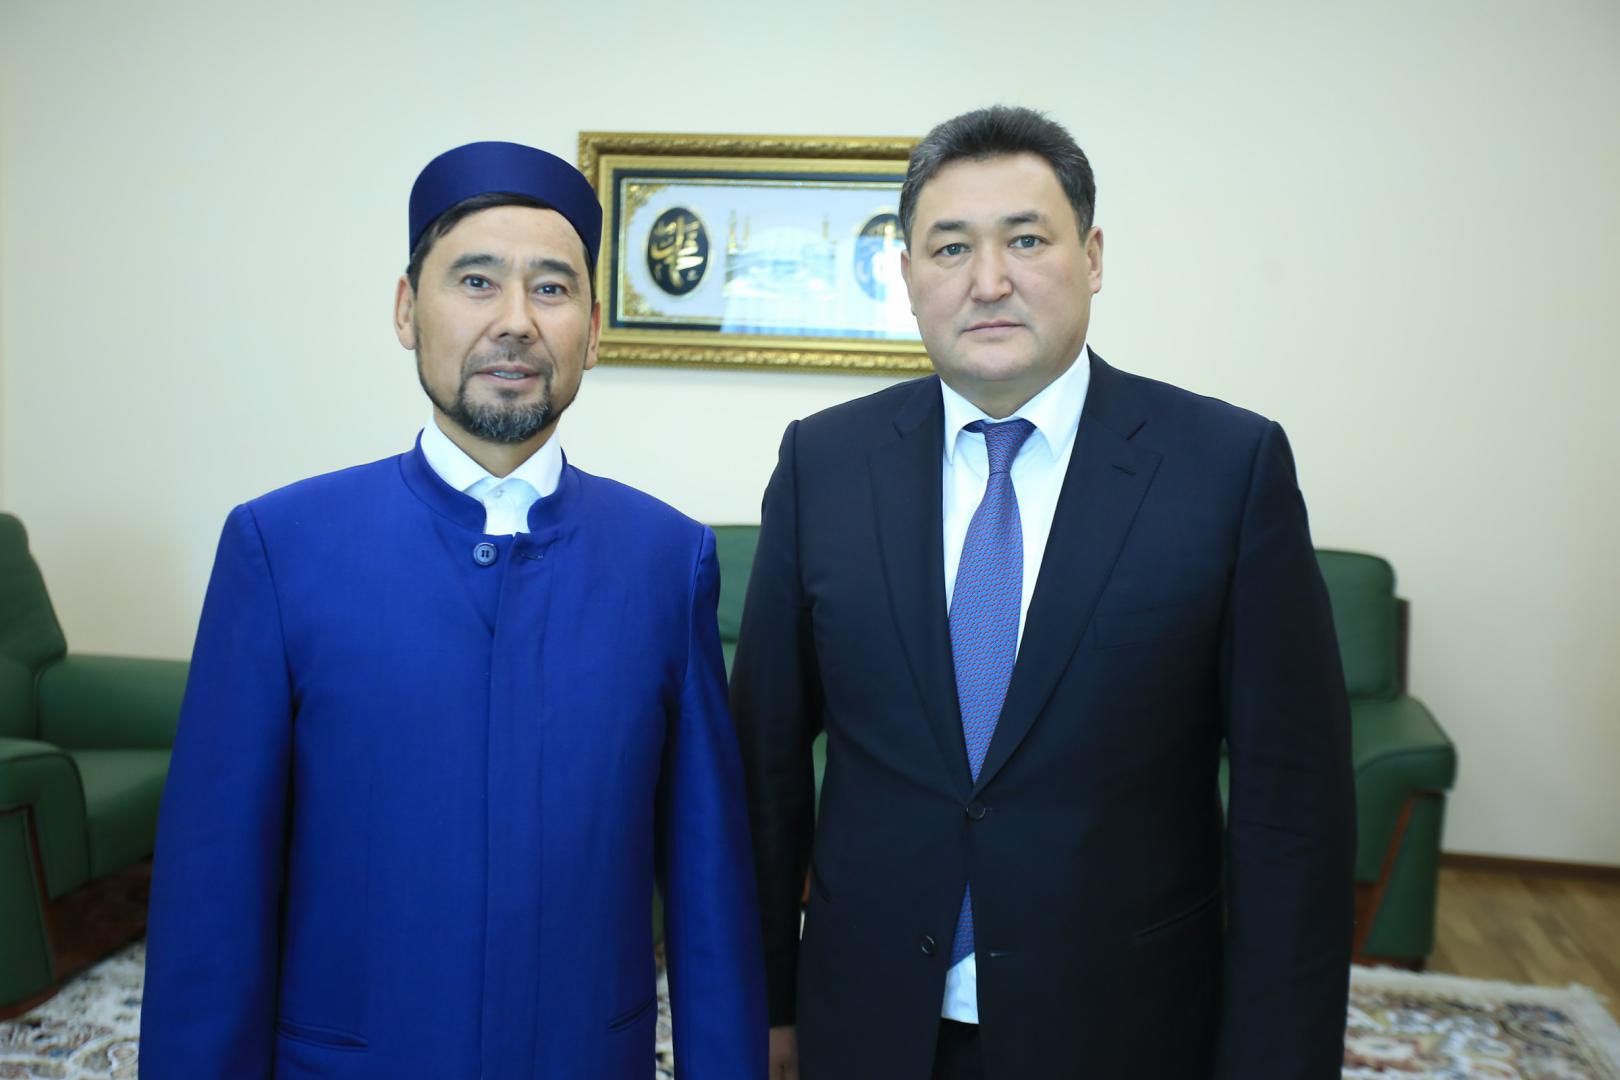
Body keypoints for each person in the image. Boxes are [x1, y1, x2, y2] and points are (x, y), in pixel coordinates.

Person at [731, 106, 1355, 1080]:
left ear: (1092, 257)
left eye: (1026, 240)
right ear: (907, 274)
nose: (989, 281)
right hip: (867, 1019)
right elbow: (763, 768)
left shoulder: (1227, 470)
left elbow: (1292, 811)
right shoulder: (824, 464)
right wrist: (765, 1003)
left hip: (1126, 1030)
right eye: (951, 247)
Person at [139, 141, 765, 1079]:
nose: (515, 321)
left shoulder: (667, 561)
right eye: (476, 282)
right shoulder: (281, 548)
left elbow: (710, 898)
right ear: (407, 309)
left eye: (551, 289)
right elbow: (212, 896)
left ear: (594, 330)